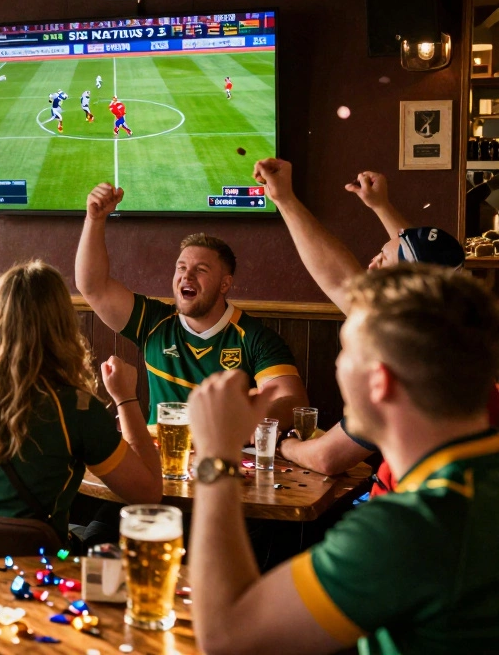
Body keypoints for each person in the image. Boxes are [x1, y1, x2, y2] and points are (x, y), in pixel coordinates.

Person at [186, 265, 499, 655]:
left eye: (346, 350)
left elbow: (226, 637)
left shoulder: (415, 525)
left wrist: (217, 453)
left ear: (378, 382)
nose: (337, 364)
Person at [253, 159, 468, 494]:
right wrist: (380, 207)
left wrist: (282, 445)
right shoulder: (446, 333)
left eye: (381, 261)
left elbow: (328, 458)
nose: (371, 262)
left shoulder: (408, 364)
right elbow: (415, 263)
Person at [0, 261, 162, 546]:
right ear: (63, 326)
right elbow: (148, 494)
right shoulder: (76, 408)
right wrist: (126, 398)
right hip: (42, 571)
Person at [75, 183, 308, 424]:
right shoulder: (154, 322)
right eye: (182, 268)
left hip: (222, 458)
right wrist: (95, 219)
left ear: (225, 285)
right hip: (162, 458)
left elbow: (293, 402)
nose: (187, 276)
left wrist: (250, 415)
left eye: (201, 270)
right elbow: (93, 287)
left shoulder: (255, 339)